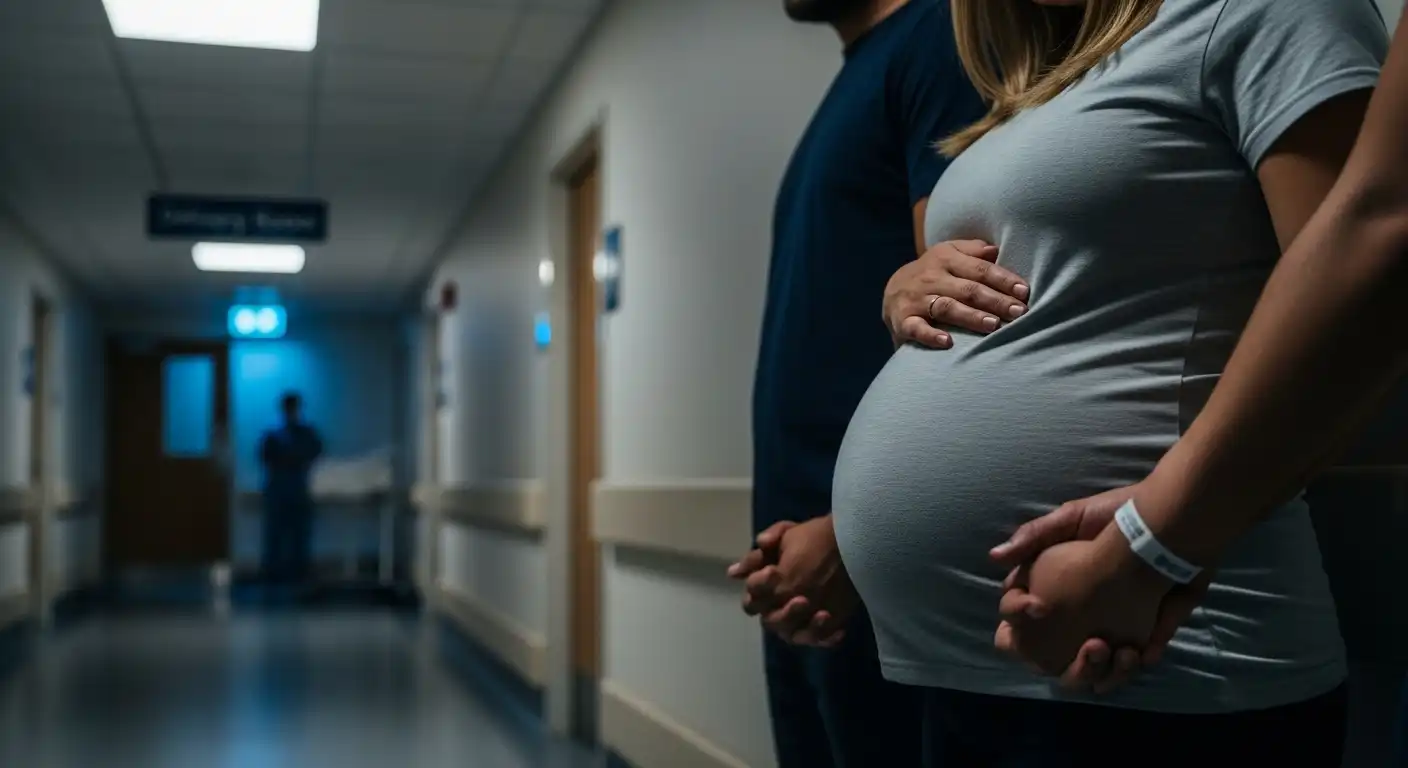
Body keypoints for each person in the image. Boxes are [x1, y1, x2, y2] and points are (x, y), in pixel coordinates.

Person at [734, 0, 1390, 764]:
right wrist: (906, 284)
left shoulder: (1255, 13)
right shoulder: (1033, 97)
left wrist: (1149, 550)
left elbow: (1362, 303)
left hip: (1165, 661)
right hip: (973, 672)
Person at [732, 0, 1005, 764]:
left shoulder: (939, 40)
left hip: (875, 565)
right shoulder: (860, 76)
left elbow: (963, 315)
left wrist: (852, 538)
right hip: (805, 560)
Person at [260, 392, 323, 588]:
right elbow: (266, 458)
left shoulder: (304, 433)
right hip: (282, 489)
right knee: (276, 536)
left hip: (295, 488)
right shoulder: (275, 435)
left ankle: (297, 574)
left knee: (298, 536)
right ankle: (275, 575)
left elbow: (314, 453)